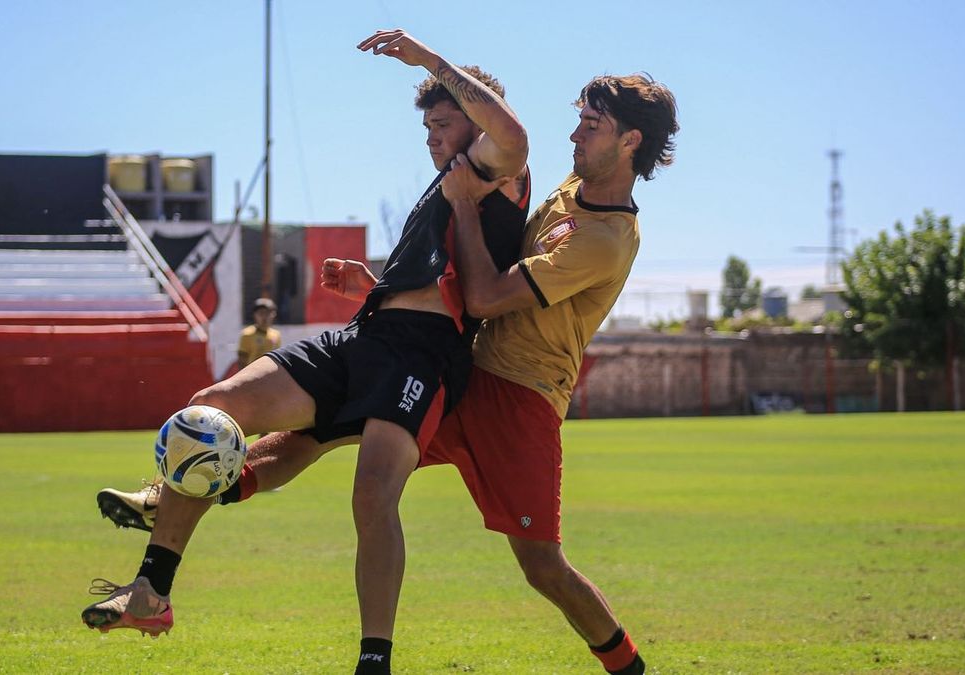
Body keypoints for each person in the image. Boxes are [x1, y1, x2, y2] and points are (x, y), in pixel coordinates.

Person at [101, 73, 678, 674]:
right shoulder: (568, 189)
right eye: (579, 121)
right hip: (460, 367)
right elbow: (456, 280)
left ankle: (629, 667)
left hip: (518, 400)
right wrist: (383, 286)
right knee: (308, 438)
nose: (576, 136)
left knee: (542, 568)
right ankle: (179, 507)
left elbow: (480, 294)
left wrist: (425, 62)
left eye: (592, 126)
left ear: (631, 141)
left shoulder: (607, 239)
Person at [82, 28, 530, 675]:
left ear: (475, 118)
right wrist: (373, 284)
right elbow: (435, 285)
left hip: (423, 359)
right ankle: (151, 592)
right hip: (365, 338)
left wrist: (430, 60)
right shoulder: (442, 187)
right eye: (426, 125)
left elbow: (512, 135)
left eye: (441, 122)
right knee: (210, 411)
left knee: (371, 495)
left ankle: (373, 659)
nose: (430, 135)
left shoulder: (498, 169)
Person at [233, 297, 280, 373]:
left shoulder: (276, 335)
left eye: (268, 313)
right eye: (261, 313)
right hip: (253, 375)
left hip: (271, 375)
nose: (264, 317)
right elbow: (242, 360)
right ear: (255, 315)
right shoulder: (247, 334)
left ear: (273, 314)